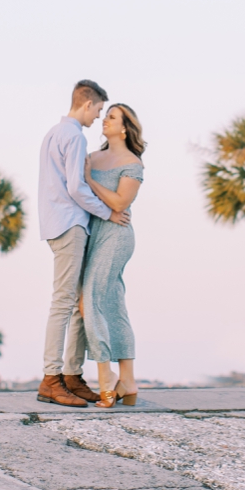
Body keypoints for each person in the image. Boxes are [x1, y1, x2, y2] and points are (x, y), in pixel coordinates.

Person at [36, 79, 130, 407]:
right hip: (70, 225)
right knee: (64, 303)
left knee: (77, 303)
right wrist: (108, 212)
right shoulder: (74, 136)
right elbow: (76, 187)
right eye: (99, 110)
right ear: (87, 104)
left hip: (56, 224)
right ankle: (51, 379)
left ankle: (72, 376)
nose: (97, 117)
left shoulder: (53, 133)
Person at [81, 103, 146, 407]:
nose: (104, 120)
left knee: (90, 298)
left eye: (111, 117)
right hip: (93, 235)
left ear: (124, 127)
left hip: (117, 237)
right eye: (104, 115)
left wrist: (91, 181)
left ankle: (106, 377)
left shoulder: (132, 162)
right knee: (113, 304)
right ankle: (129, 382)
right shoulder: (92, 157)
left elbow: (120, 204)